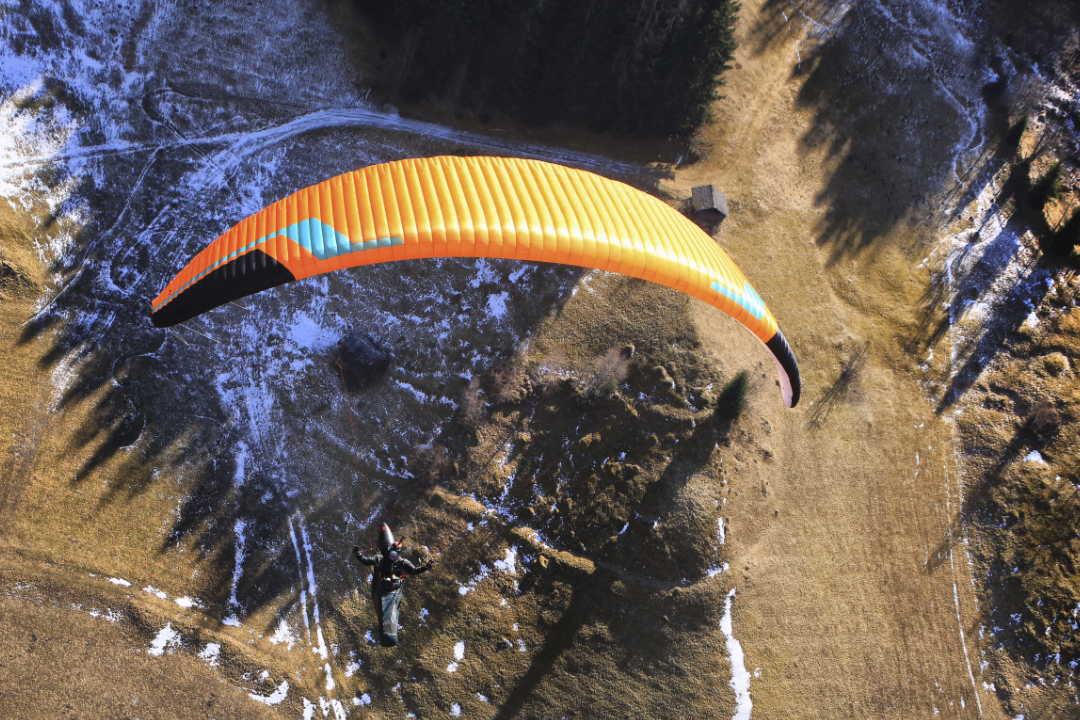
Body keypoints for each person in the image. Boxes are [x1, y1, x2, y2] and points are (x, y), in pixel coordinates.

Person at [352, 523, 434, 647]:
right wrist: (358, 553)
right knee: (386, 609)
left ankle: (389, 632)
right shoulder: (381, 558)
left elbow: (414, 571)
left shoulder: (402, 562)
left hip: (394, 588)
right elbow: (366, 561)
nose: (392, 557)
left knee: (391, 611)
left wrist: (426, 567)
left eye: (395, 555)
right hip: (383, 587)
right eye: (391, 554)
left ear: (398, 555)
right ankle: (386, 631)